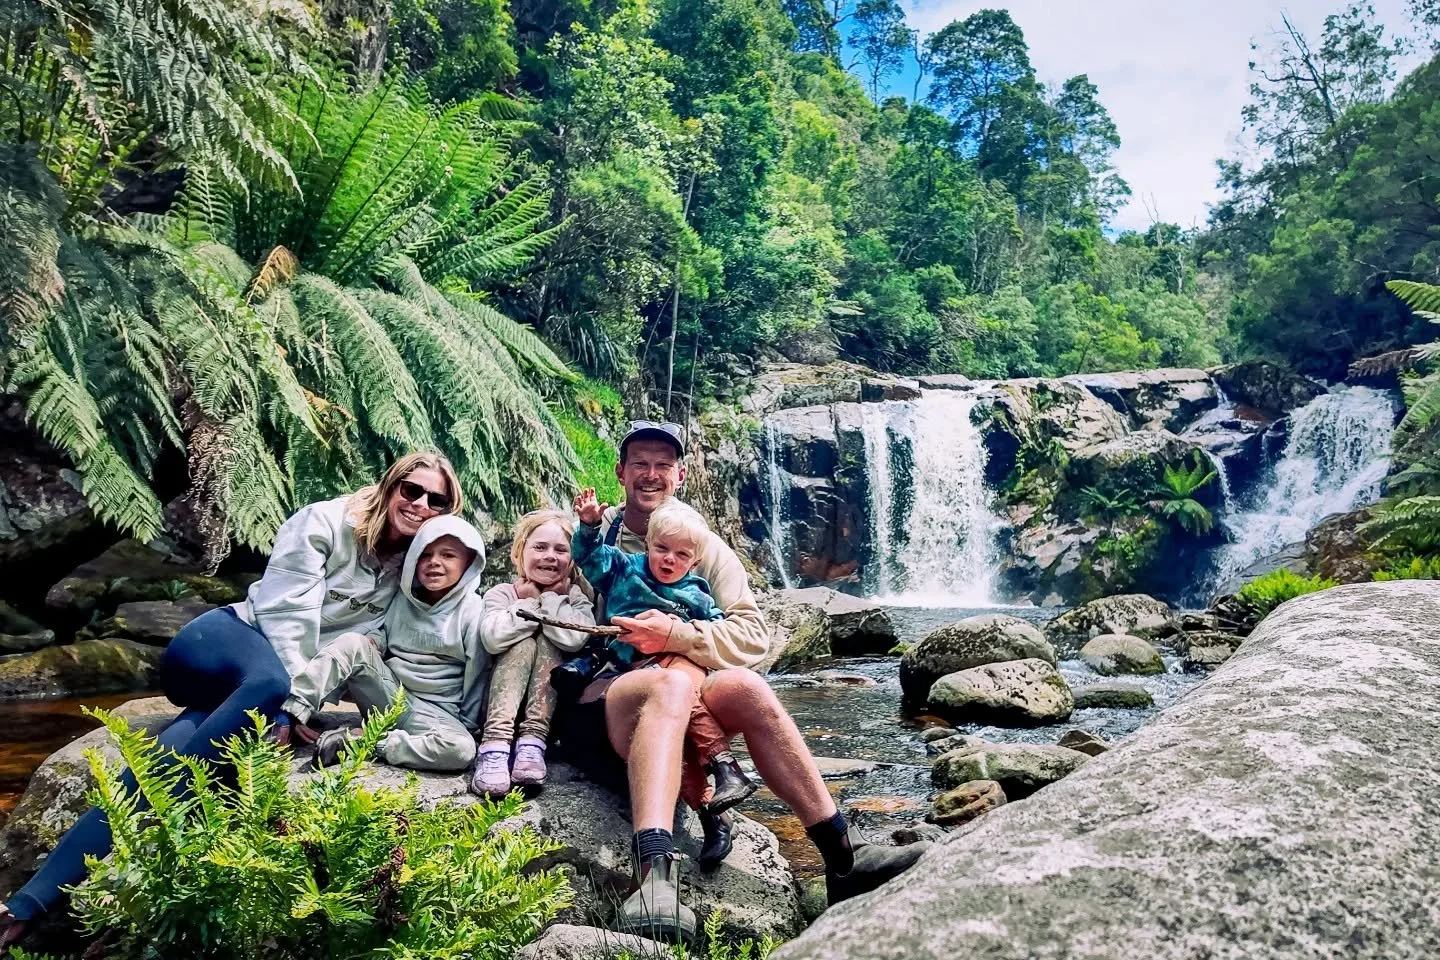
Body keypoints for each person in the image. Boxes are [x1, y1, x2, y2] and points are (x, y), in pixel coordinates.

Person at [0, 453, 462, 952]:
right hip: (218, 647)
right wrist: (293, 703)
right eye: (411, 490)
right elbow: (287, 618)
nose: (420, 504)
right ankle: (163, 815)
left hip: (252, 690)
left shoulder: (414, 564)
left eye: (436, 500)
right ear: (390, 486)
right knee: (267, 686)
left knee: (176, 748)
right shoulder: (326, 522)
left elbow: (402, 632)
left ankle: (25, 905)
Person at [580, 421, 930, 943]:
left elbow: (752, 636)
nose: (650, 474)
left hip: (684, 694)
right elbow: (543, 582)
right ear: (620, 472)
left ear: (680, 475)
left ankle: (843, 855)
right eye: (640, 464)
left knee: (747, 687)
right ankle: (654, 877)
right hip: (612, 689)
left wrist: (675, 635)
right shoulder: (593, 533)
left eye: (662, 465)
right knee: (670, 686)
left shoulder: (704, 545)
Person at [569, 489, 757, 820]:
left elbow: (714, 629)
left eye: (681, 554)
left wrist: (679, 632)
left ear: (695, 562)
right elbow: (589, 556)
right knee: (675, 712)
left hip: (674, 669)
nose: (669, 559)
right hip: (626, 669)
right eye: (662, 549)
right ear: (647, 545)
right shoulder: (623, 569)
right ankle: (723, 773)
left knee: (677, 700)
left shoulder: (697, 594)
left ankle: (712, 807)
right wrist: (589, 526)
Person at [284, 514, 490, 772]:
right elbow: (383, 630)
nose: (434, 562)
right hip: (388, 695)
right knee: (352, 643)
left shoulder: (474, 611)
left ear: (469, 562)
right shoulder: (401, 598)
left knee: (460, 750)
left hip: (434, 714)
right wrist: (376, 641)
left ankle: (362, 743)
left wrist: (467, 727)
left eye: (448, 555)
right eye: (425, 554)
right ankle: (290, 713)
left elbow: (477, 677)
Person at [470, 510, 594, 797]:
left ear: (572, 559)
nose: (550, 556)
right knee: (523, 644)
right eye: (539, 547)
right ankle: (494, 747)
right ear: (519, 554)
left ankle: (532, 744)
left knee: (551, 642)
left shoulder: (576, 597)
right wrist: (528, 603)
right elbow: (492, 639)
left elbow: (573, 640)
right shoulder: (502, 594)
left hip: (548, 721)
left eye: (561, 550)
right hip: (496, 711)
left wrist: (548, 599)